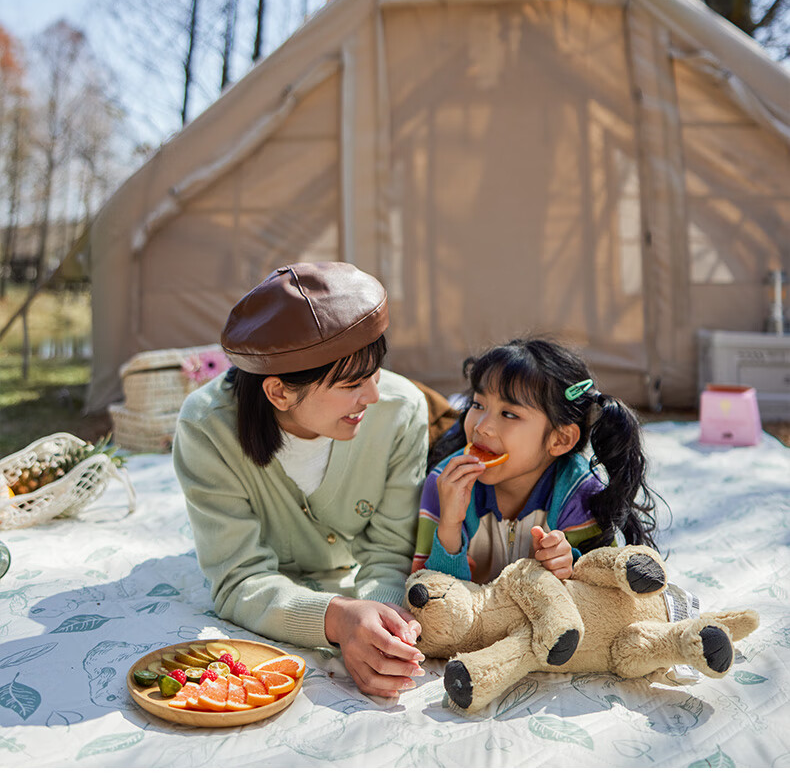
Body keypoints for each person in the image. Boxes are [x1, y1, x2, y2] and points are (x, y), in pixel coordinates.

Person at [173, 261, 430, 700]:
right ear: (279, 392)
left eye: (375, 372)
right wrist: (338, 619)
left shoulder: (402, 411)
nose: (373, 396)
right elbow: (238, 579)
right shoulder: (206, 428)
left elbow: (389, 551)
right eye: (351, 384)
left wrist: (384, 621)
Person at [412, 337, 660, 584]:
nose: (481, 426)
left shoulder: (579, 492)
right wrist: (450, 525)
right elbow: (429, 593)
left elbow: (602, 589)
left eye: (509, 414)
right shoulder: (445, 483)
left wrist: (570, 566)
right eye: (478, 404)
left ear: (560, 439)